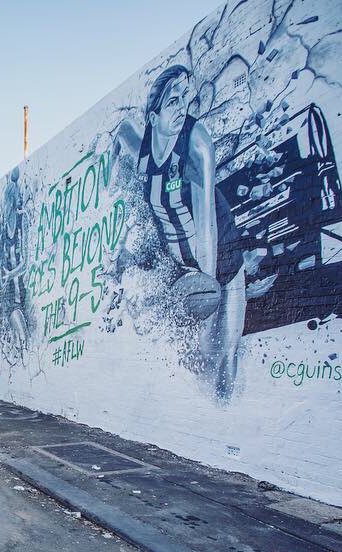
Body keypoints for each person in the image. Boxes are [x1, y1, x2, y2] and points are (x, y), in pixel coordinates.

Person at [113, 64, 272, 399]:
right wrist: (110, 181)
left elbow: (206, 228)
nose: (182, 105)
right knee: (195, 357)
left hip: (219, 256)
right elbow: (120, 133)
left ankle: (225, 414)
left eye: (185, 96)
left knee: (224, 349)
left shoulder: (196, 145)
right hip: (181, 267)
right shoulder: (142, 146)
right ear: (153, 117)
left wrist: (207, 284)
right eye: (173, 100)